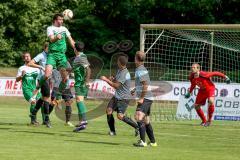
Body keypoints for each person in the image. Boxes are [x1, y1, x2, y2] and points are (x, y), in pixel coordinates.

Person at [100, 55, 139, 136]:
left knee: (120, 116)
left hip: (124, 98)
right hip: (117, 96)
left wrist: (106, 80)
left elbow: (116, 86)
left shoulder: (124, 73)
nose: (117, 62)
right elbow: (117, 81)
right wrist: (113, 79)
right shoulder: (120, 70)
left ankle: (137, 127)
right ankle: (112, 131)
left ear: (120, 63)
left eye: (117, 61)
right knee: (109, 111)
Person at [132, 51, 157, 147]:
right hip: (148, 97)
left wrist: (141, 98)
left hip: (146, 98)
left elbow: (145, 85)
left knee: (138, 117)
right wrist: (135, 89)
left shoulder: (140, 69)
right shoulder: (141, 69)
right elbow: (143, 83)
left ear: (136, 58)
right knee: (146, 121)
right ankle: (153, 142)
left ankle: (142, 141)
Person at [28, 42, 53, 127]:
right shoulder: (41, 55)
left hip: (48, 79)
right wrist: (40, 67)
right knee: (47, 98)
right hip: (42, 78)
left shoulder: (51, 55)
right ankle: (46, 119)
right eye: (50, 47)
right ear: (45, 48)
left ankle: (33, 113)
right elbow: (30, 63)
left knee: (43, 98)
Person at [16, 52, 42, 125]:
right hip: (27, 89)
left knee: (39, 104)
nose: (27, 58)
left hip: (36, 89)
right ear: (23, 59)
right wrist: (21, 76)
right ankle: (33, 120)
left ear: (31, 57)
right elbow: (17, 80)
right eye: (25, 57)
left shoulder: (37, 67)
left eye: (28, 56)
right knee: (33, 102)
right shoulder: (21, 68)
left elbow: (41, 78)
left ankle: (39, 119)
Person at [72, 41, 91, 132]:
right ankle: (81, 124)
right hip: (79, 82)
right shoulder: (79, 58)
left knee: (79, 100)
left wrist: (87, 81)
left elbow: (88, 69)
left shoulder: (81, 57)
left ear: (75, 49)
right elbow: (79, 69)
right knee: (79, 101)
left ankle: (83, 120)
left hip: (81, 83)